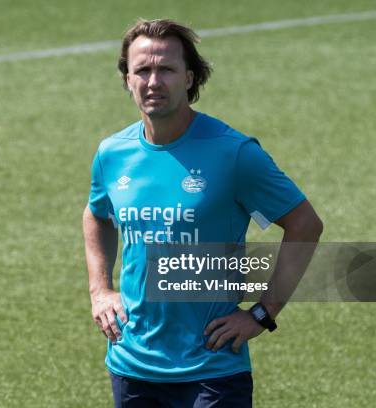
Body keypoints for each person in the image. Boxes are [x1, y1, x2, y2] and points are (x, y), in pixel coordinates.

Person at [82, 18, 323, 407]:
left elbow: (305, 224)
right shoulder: (112, 154)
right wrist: (100, 289)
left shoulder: (234, 153)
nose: (153, 81)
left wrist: (263, 312)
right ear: (127, 79)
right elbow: (97, 214)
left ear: (190, 79)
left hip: (212, 370)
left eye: (167, 69)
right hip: (132, 365)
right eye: (142, 70)